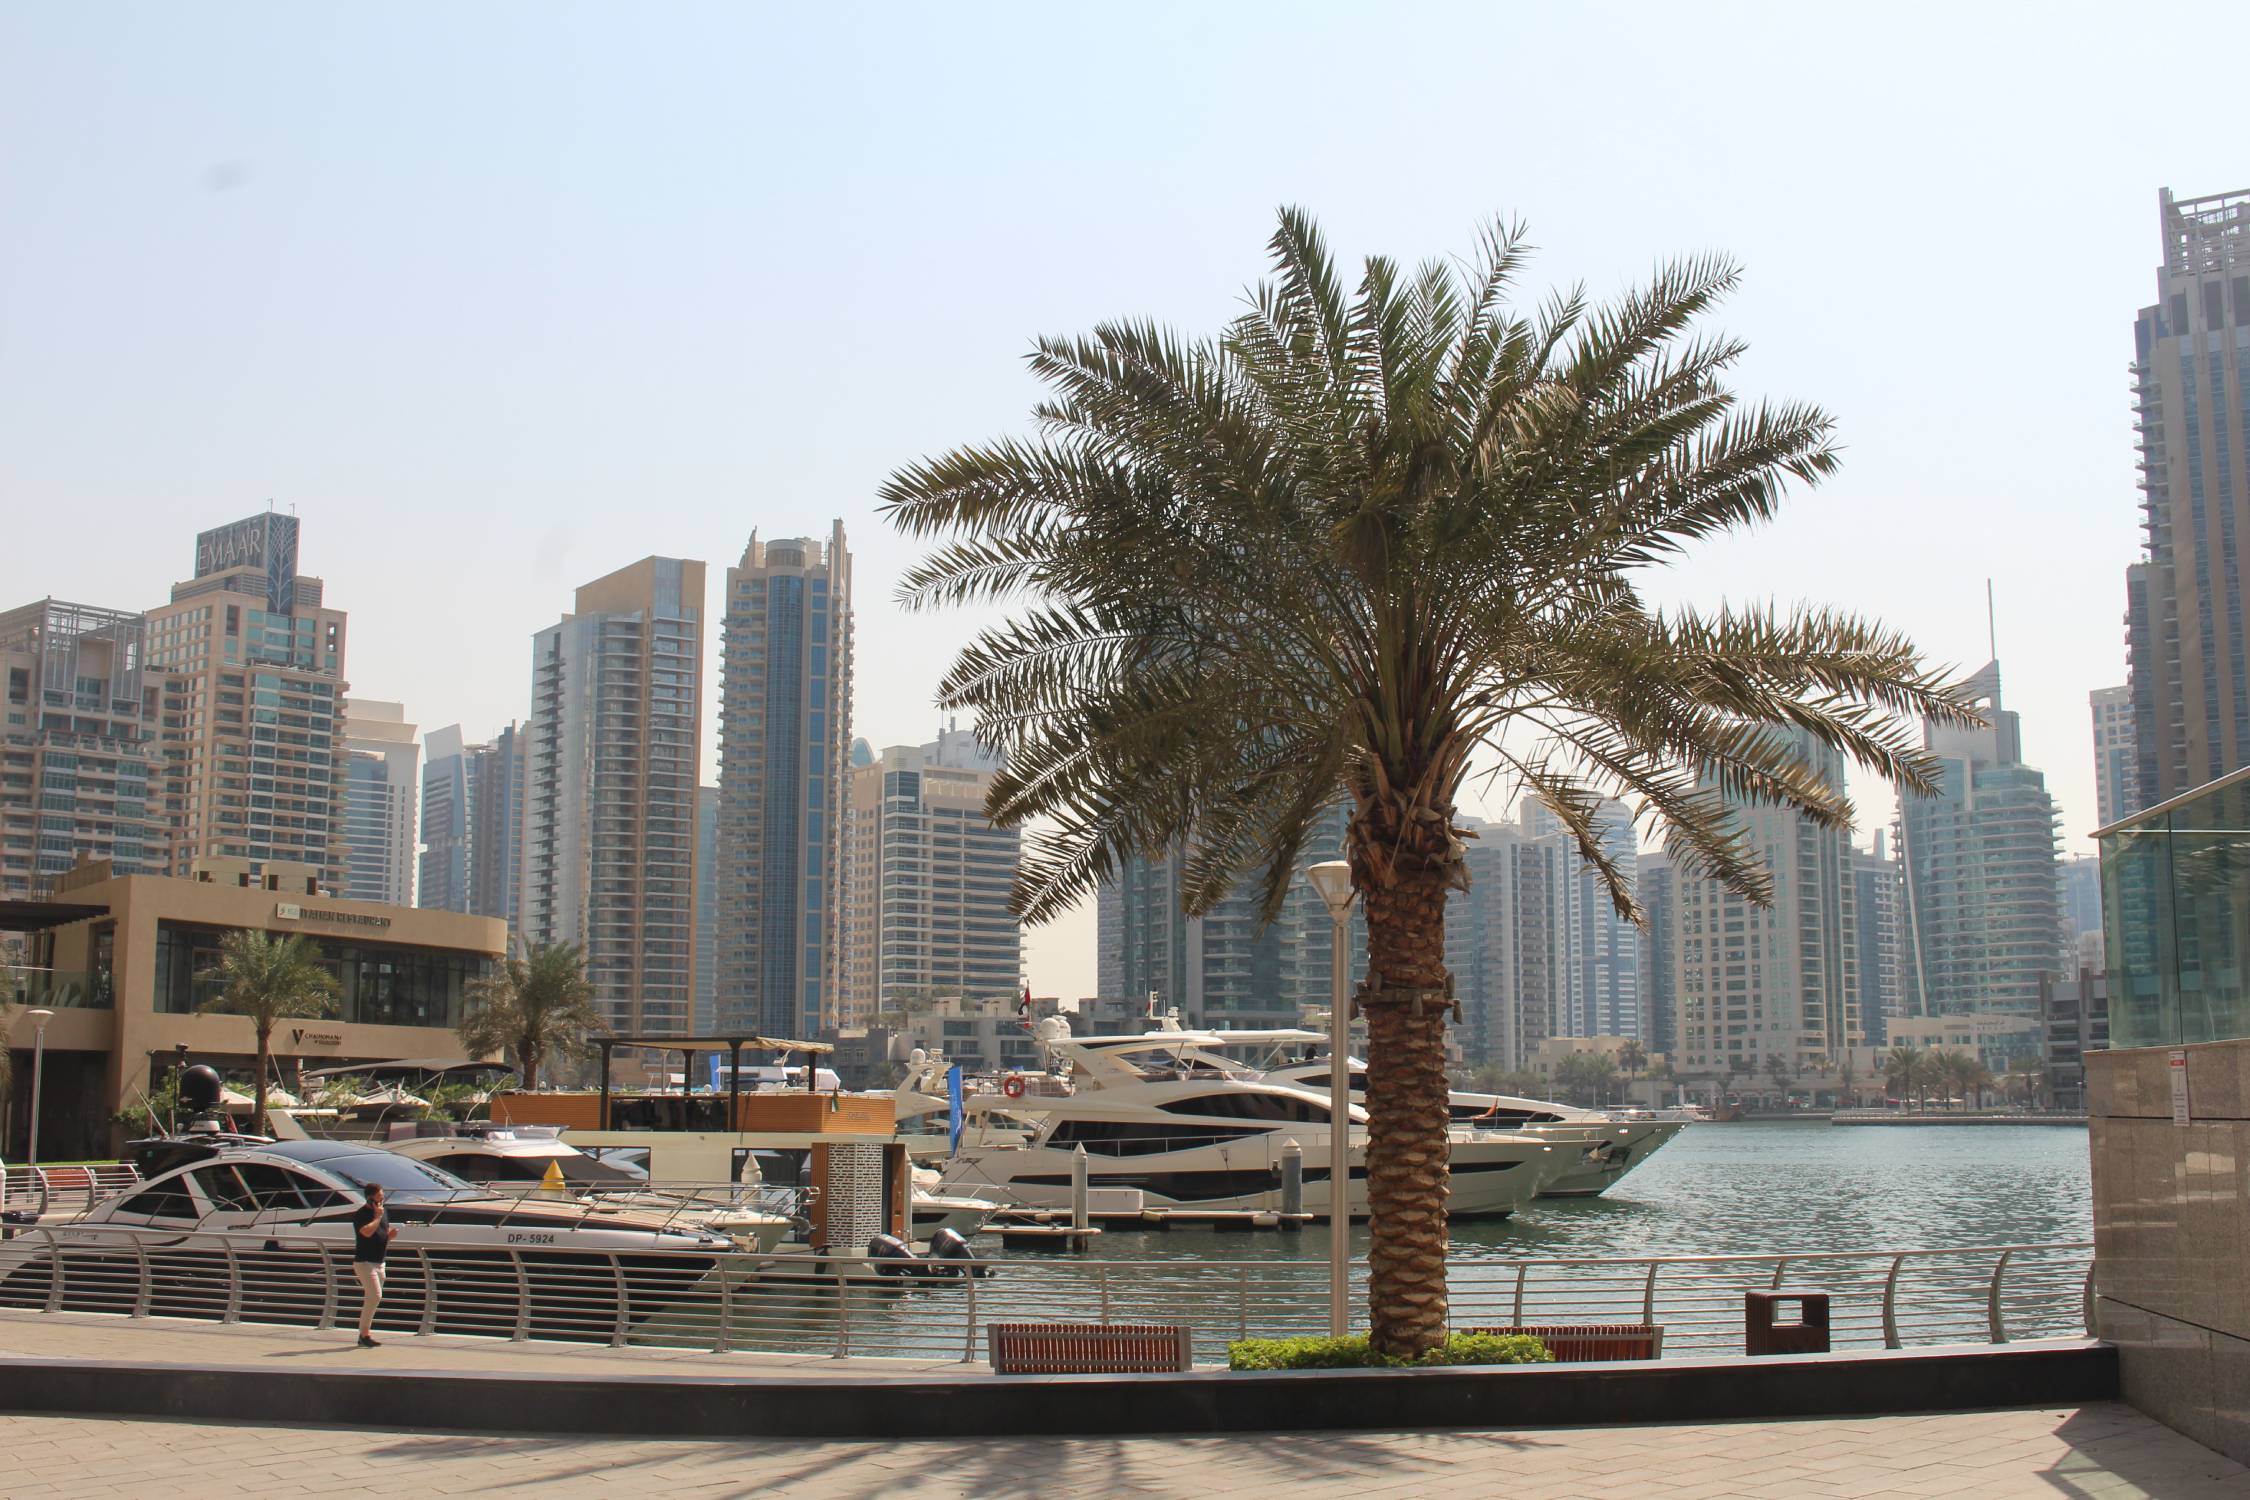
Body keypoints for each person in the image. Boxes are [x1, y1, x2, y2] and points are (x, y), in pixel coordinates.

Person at [352, 1182, 398, 1348]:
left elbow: (380, 1233)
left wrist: (390, 1235)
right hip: (364, 1262)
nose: (382, 1199)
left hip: (380, 1262)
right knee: (375, 1296)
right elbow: (366, 1232)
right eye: (379, 1197)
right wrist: (377, 1216)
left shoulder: (383, 1213)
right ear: (371, 1198)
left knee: (372, 1299)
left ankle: (364, 1335)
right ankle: (364, 1334)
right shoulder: (362, 1214)